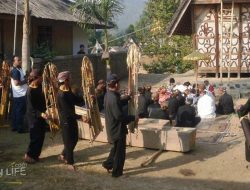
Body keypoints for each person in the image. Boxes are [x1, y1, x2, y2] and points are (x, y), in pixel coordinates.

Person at [102, 74, 136, 178]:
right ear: (116, 84)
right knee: (120, 153)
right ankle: (117, 173)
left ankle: (108, 164)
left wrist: (128, 97)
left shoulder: (109, 94)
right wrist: (133, 117)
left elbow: (118, 102)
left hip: (112, 127)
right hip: (117, 129)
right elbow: (119, 116)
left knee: (115, 149)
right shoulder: (113, 98)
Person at [57, 71, 84, 170]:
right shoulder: (61, 95)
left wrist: (87, 97)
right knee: (68, 142)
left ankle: (63, 155)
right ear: (65, 81)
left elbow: (76, 100)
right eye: (69, 78)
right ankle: (69, 162)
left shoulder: (67, 90)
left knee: (74, 139)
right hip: (66, 120)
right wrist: (81, 117)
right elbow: (68, 111)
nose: (71, 80)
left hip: (71, 119)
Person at [24, 69, 48, 163]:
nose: (42, 79)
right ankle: (29, 155)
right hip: (33, 117)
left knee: (41, 136)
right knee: (35, 137)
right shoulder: (30, 91)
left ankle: (36, 155)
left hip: (41, 115)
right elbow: (32, 108)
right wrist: (41, 113)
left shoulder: (40, 86)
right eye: (41, 78)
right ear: (36, 78)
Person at [10, 56, 28, 133]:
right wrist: (26, 80)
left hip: (19, 94)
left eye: (20, 60)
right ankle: (20, 128)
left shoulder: (19, 69)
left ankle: (15, 127)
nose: (20, 61)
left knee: (16, 111)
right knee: (19, 112)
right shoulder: (15, 71)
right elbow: (16, 83)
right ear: (13, 62)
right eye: (18, 60)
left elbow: (22, 78)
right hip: (20, 94)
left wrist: (26, 76)